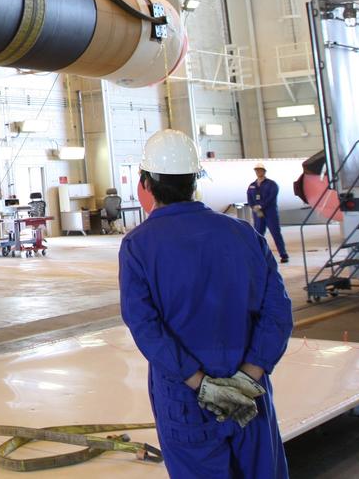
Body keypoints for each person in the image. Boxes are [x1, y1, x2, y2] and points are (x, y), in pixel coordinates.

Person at [120, 130, 292, 478]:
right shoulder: (245, 235)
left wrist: (202, 384)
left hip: (186, 404)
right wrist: (247, 377)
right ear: (196, 179)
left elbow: (146, 329)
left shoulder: (138, 247)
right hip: (248, 399)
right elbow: (278, 314)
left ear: (146, 183)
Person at [247, 163, 289, 263]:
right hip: (258, 214)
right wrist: (254, 207)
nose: (258, 172)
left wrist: (261, 206)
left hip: (270, 213)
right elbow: (249, 197)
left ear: (264, 171)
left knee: (276, 233)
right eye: (256, 170)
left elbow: (272, 197)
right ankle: (258, 255)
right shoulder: (252, 185)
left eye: (260, 170)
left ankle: (283, 255)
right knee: (258, 235)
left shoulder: (272, 184)